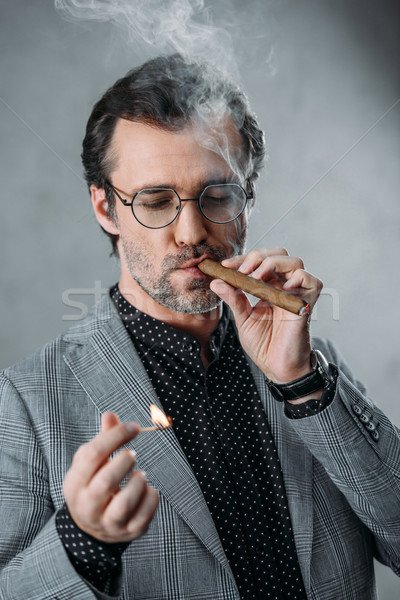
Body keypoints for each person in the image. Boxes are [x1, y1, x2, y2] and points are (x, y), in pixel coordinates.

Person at [0, 53, 399, 600]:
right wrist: (81, 544)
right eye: (156, 201)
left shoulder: (313, 368)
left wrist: (303, 385)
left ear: (248, 198)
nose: (191, 232)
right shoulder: (24, 401)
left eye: (217, 196)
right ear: (104, 208)